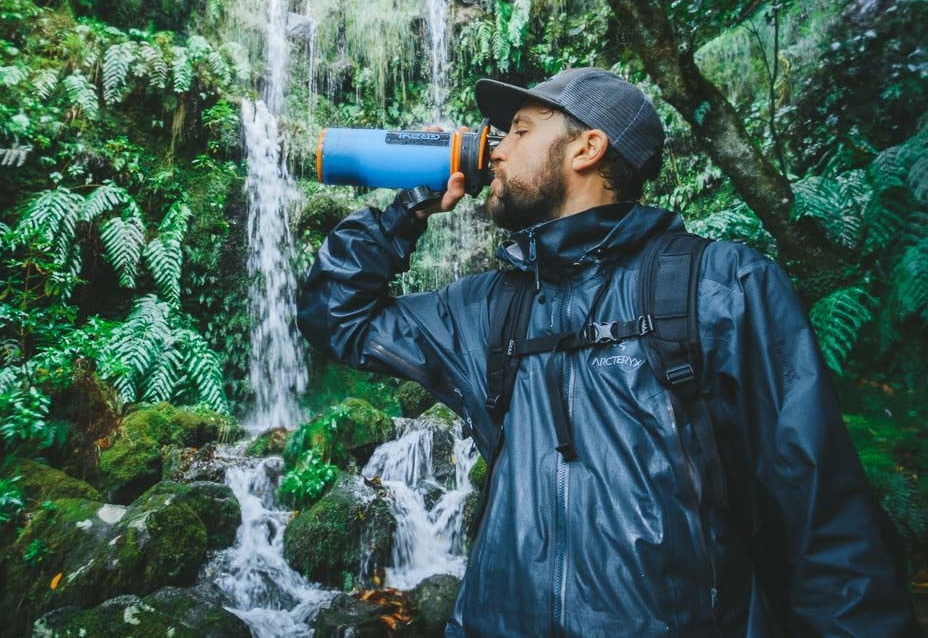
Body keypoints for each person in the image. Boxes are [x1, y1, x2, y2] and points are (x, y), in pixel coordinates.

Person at [296, 68, 918, 636]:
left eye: (518, 130)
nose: (497, 147)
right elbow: (338, 317)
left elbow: (826, 519)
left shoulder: (719, 287)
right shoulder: (489, 307)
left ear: (587, 149)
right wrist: (408, 208)